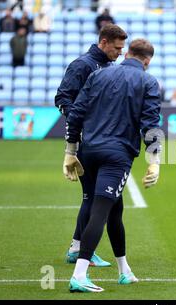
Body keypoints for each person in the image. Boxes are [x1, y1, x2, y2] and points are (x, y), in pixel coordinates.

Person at [63, 38, 161, 292]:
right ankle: (80, 274)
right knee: (101, 211)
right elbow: (150, 124)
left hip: (88, 151)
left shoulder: (99, 74)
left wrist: (70, 151)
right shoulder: (148, 81)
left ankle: (124, 270)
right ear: (147, 61)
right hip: (116, 156)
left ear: (127, 53)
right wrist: (154, 161)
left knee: (115, 210)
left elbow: (77, 112)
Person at [55, 24, 127, 267]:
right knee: (95, 198)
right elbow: (62, 98)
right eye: (116, 48)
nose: (120, 52)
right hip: (90, 141)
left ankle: (77, 247)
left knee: (93, 198)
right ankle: (80, 250)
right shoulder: (82, 65)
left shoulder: (110, 67)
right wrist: (83, 124)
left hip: (104, 139)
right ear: (104, 42)